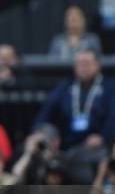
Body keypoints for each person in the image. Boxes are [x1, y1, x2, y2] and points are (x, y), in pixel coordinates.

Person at [34, 49, 115, 183]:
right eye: (80, 64)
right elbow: (47, 110)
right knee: (40, 154)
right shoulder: (66, 85)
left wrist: (103, 137)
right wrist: (39, 131)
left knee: (85, 161)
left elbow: (113, 117)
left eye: (87, 63)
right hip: (66, 143)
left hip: (97, 144)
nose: (83, 68)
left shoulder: (110, 87)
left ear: (98, 65)